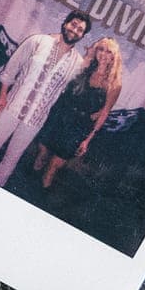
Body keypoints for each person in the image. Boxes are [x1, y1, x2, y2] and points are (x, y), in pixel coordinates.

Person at [0, 11, 91, 186]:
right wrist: (2, 95)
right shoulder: (38, 41)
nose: (75, 30)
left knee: (11, 159)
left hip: (35, 120)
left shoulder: (77, 64)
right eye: (73, 25)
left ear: (82, 36)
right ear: (65, 23)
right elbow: (11, 68)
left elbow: (75, 92)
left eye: (80, 29)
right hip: (11, 106)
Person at [33, 35, 124, 190]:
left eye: (109, 52)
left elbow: (104, 112)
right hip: (60, 114)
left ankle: (40, 193)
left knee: (55, 164)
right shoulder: (85, 66)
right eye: (100, 49)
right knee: (42, 152)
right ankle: (26, 179)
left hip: (79, 125)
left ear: (114, 58)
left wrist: (88, 139)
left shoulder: (114, 84)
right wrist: (91, 52)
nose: (103, 54)